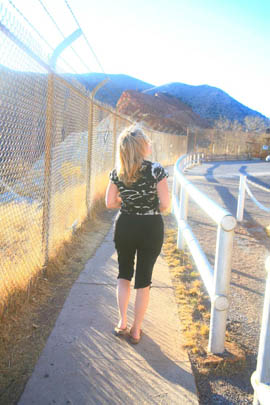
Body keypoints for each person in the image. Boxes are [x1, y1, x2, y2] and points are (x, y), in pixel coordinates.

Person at [105, 125, 170, 344]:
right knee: (144, 280)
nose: (149, 143)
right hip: (150, 226)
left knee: (123, 275)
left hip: (125, 225)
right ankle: (136, 330)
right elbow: (166, 205)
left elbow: (109, 202)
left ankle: (122, 322)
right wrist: (148, 204)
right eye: (147, 141)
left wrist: (127, 199)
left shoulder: (118, 172)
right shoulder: (156, 170)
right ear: (142, 146)